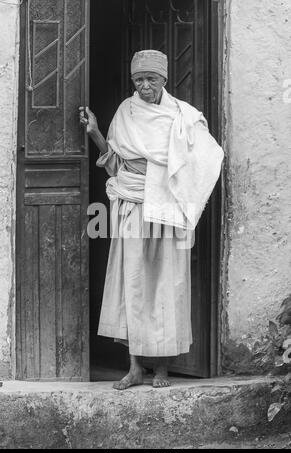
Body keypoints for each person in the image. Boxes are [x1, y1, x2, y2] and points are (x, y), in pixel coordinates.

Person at [80, 50, 224, 390]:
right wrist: (96, 132)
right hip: (132, 205)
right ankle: (134, 368)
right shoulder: (125, 113)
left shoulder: (183, 117)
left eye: (151, 79)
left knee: (165, 286)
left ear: (164, 80)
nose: (144, 86)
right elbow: (114, 163)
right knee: (133, 284)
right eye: (138, 80)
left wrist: (179, 184)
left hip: (168, 209)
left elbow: (208, 157)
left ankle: (162, 368)